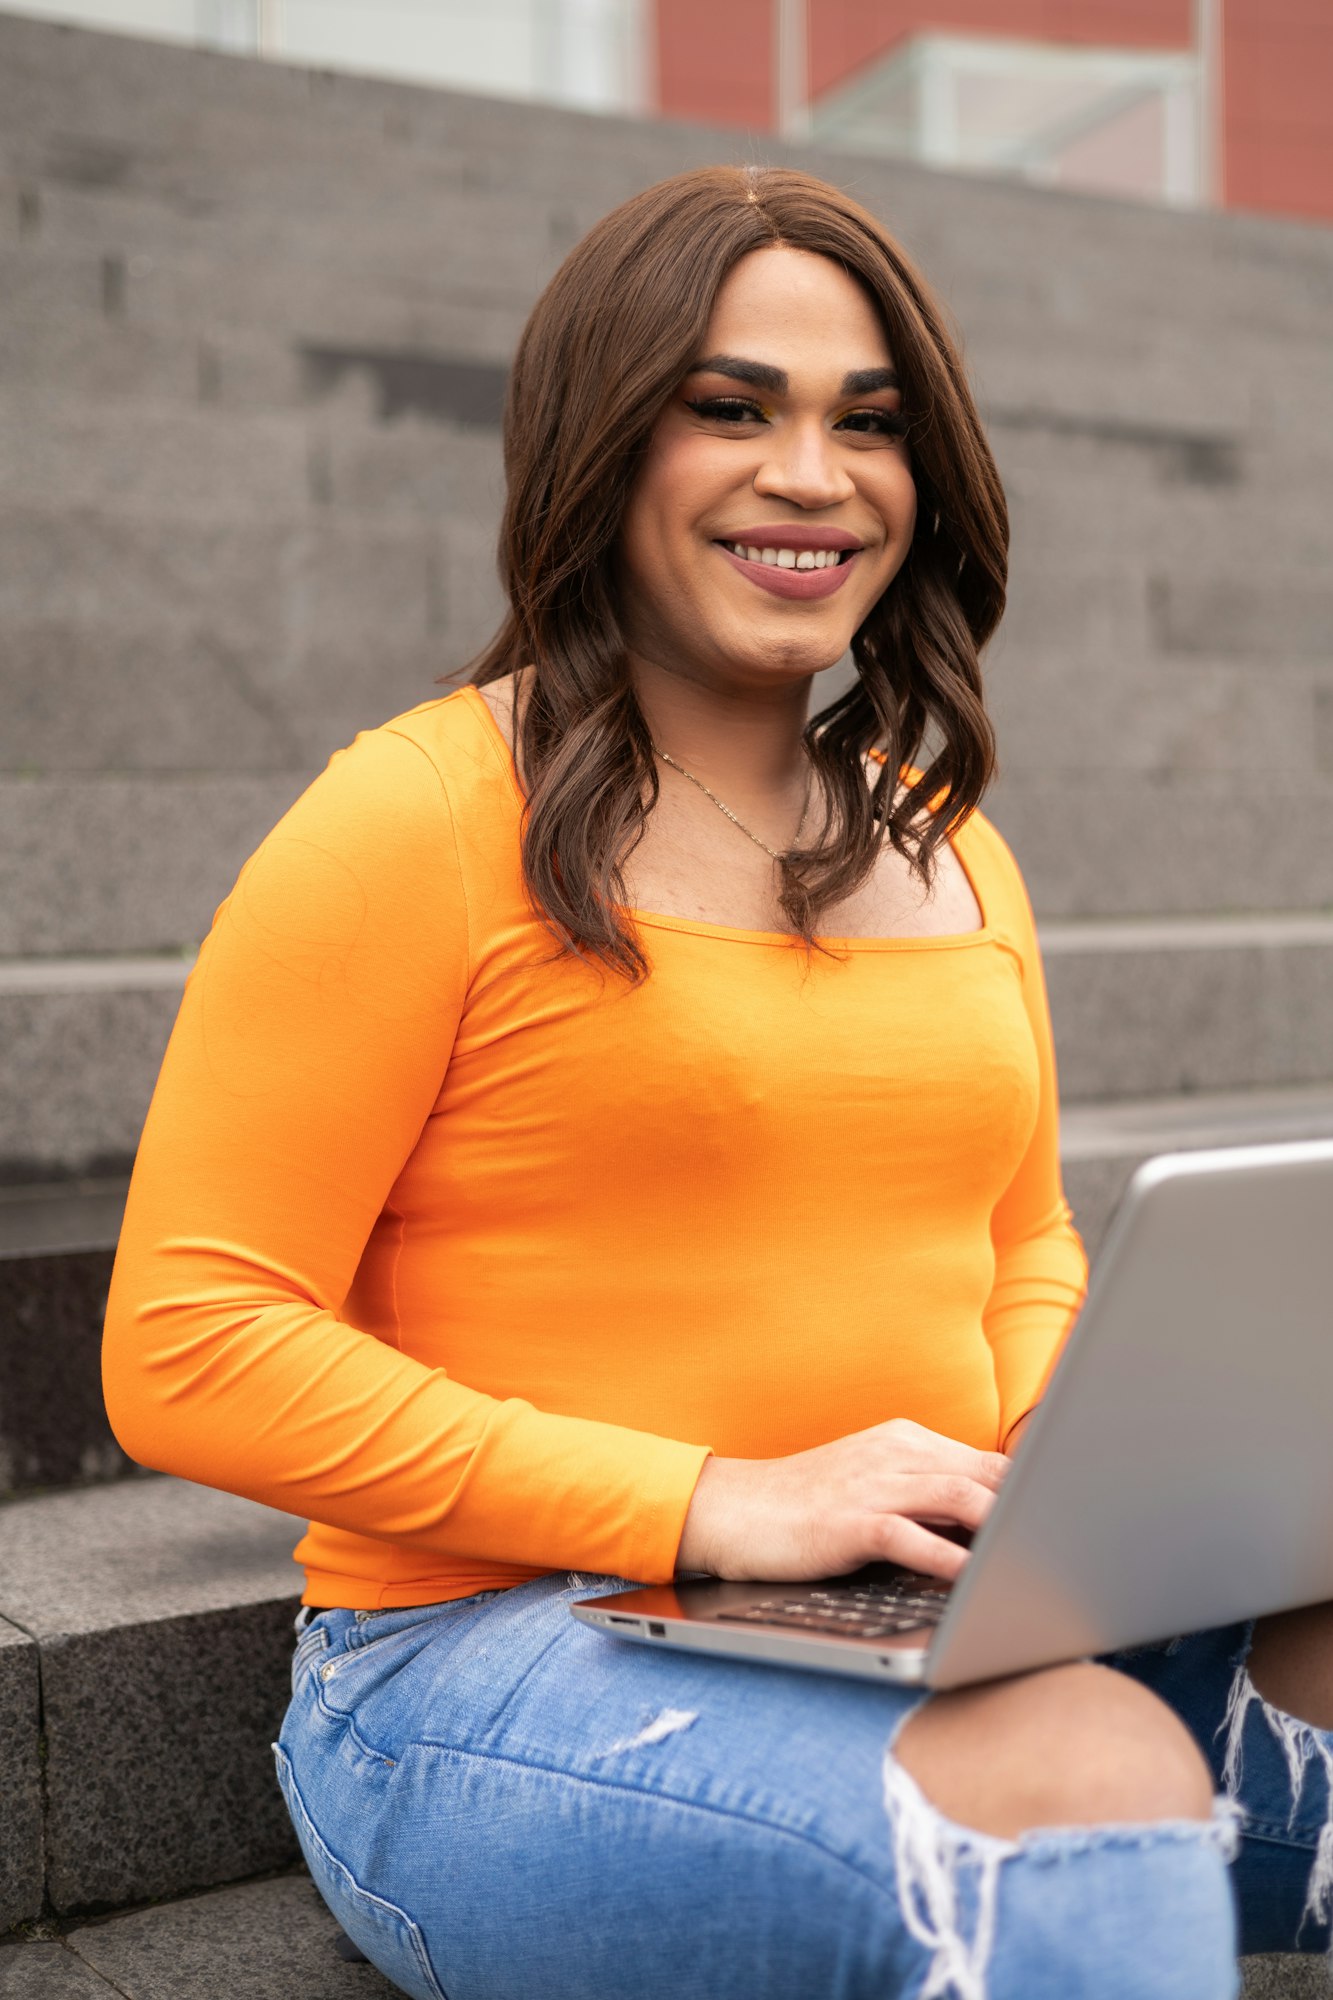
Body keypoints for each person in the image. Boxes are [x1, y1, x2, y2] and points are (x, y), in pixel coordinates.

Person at [102, 166, 1333, 2000]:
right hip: (492, 1663)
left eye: (871, 423)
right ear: (603, 443)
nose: (813, 477)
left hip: (916, 1606)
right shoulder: (420, 814)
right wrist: (707, 1500)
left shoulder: (949, 847)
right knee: (1082, 1779)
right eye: (730, 407)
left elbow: (1017, 1241)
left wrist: (1079, 1463)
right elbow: (188, 1341)